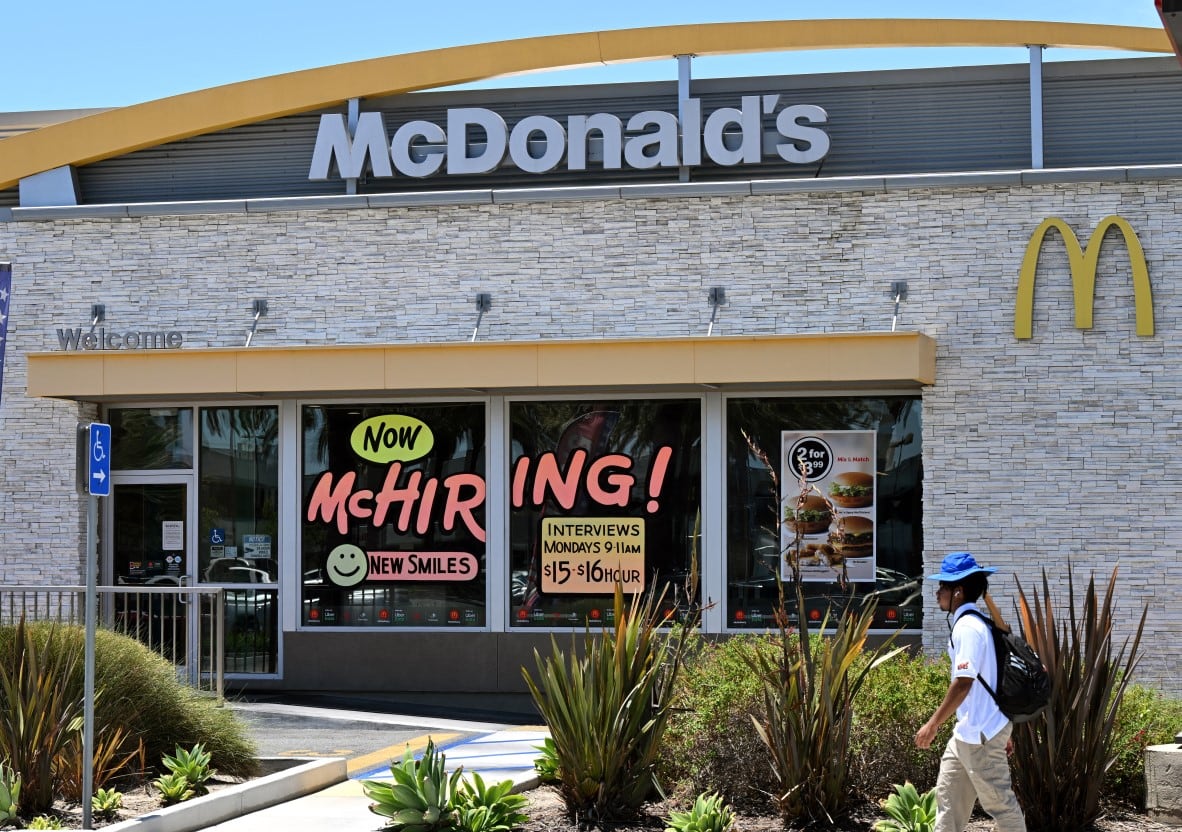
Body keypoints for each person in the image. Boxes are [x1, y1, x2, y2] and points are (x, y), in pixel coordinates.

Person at [914, 551, 1026, 832]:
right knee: (949, 800)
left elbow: (964, 683)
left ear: (958, 591)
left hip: (981, 735)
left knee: (1001, 805)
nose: (938, 592)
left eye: (943, 586)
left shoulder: (968, 627)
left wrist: (932, 724)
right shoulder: (980, 624)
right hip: (970, 732)